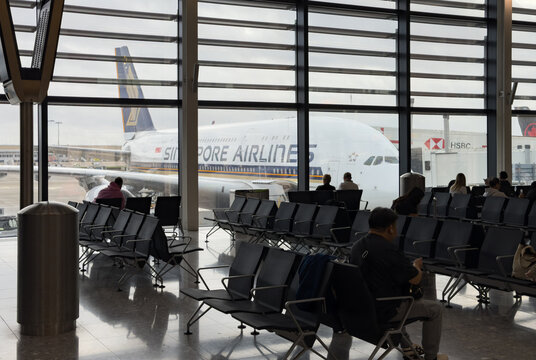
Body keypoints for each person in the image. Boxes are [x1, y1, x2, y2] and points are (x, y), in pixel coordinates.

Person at [329, 208, 447, 360]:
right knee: (435, 309)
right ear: (390, 228)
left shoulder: (357, 246)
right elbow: (415, 279)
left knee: (396, 294)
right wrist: (417, 267)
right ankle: (431, 357)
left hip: (359, 309)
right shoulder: (389, 250)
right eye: (395, 226)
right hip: (382, 311)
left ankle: (408, 347)